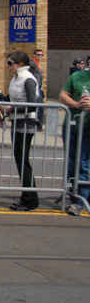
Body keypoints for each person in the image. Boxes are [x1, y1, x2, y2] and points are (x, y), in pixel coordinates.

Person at [2, 50, 40, 211]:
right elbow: (11, 100)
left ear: (20, 65)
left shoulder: (28, 79)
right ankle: (26, 197)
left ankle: (30, 200)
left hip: (26, 123)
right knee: (20, 160)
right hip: (16, 123)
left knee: (23, 161)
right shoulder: (15, 79)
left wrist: (11, 108)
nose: (8, 66)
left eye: (10, 63)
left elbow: (32, 104)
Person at [59, 67, 90, 216]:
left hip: (88, 128)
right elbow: (63, 96)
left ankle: (80, 201)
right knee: (71, 163)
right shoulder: (77, 76)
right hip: (72, 125)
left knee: (84, 163)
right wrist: (77, 104)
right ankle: (72, 196)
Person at [29, 48, 45, 130]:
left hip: (38, 86)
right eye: (38, 55)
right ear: (34, 55)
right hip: (35, 86)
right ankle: (38, 125)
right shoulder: (32, 63)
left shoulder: (37, 64)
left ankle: (38, 124)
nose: (40, 56)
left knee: (40, 107)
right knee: (39, 106)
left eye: (42, 55)